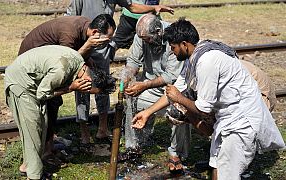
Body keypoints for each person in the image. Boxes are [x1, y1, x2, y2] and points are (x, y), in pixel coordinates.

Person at [132, 18, 285, 179]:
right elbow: (176, 90)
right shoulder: (193, 58)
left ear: (184, 44)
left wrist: (180, 100)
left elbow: (202, 107)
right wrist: (148, 112)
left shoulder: (207, 62)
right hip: (227, 119)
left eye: (173, 47)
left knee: (228, 173)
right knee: (217, 163)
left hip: (242, 121)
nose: (171, 51)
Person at [65, 0, 174, 145]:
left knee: (104, 87)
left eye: (146, 39)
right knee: (82, 87)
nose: (144, 42)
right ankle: (87, 132)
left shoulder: (171, 36)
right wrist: (127, 75)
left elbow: (132, 6)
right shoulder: (82, 1)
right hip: (84, 45)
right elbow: (70, 20)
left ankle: (103, 129)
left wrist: (153, 7)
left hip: (103, 49)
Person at [5, 45, 114, 180]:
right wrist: (70, 88)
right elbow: (42, 94)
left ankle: (28, 166)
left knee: (41, 127)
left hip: (32, 82)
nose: (86, 92)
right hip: (21, 83)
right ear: (88, 80)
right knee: (33, 130)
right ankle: (34, 176)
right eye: (89, 91)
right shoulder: (62, 70)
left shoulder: (79, 62)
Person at [17, 14, 116, 162]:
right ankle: (41, 153)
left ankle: (48, 146)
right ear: (95, 33)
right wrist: (88, 46)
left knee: (54, 102)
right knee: (48, 103)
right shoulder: (69, 33)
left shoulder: (86, 29)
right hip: (31, 66)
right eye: (107, 39)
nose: (108, 43)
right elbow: (66, 62)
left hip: (50, 63)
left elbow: (76, 58)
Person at [120, 14, 190, 173]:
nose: (145, 42)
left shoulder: (174, 36)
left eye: (148, 40)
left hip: (174, 89)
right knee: (131, 97)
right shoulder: (142, 35)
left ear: (159, 32)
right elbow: (133, 61)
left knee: (181, 109)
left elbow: (171, 76)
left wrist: (144, 85)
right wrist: (127, 78)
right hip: (149, 86)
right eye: (143, 39)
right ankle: (133, 147)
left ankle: (176, 153)